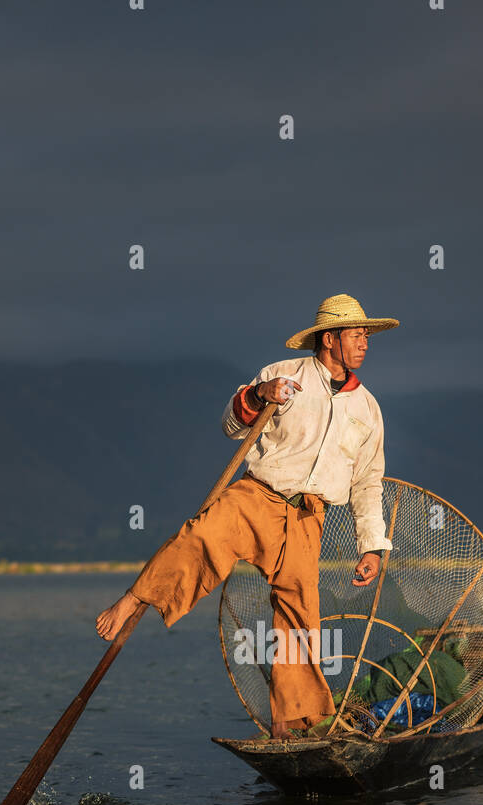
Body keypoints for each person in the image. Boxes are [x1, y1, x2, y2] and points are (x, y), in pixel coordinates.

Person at [96, 293, 399, 738]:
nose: (365, 343)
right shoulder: (284, 376)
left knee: (299, 621)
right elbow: (231, 425)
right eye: (357, 335)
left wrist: (372, 546)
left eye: (367, 336)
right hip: (258, 497)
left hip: (307, 518)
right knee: (202, 537)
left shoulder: (367, 408)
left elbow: (367, 483)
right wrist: (259, 395)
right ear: (330, 339)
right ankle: (136, 598)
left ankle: (293, 725)